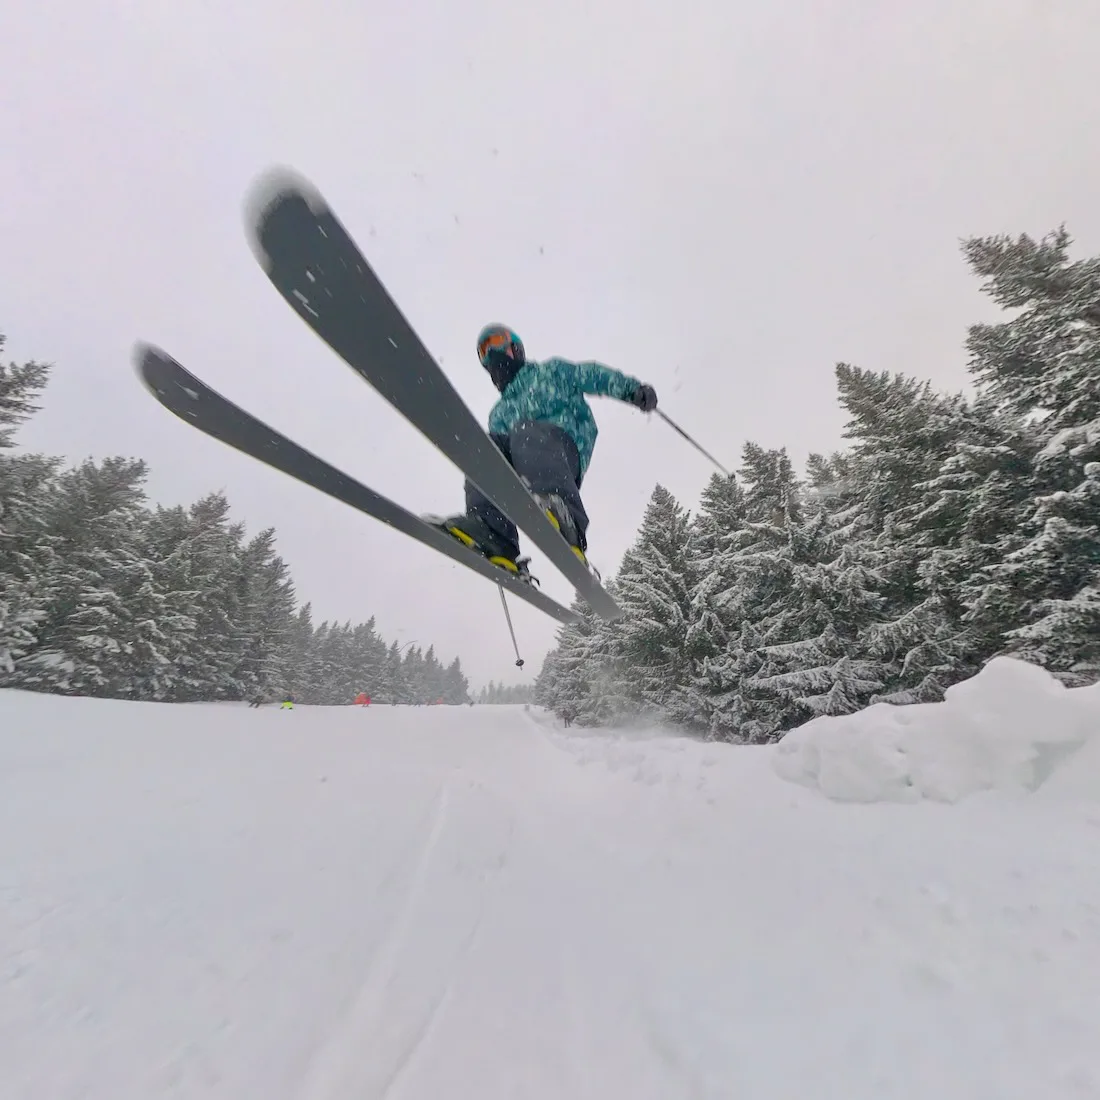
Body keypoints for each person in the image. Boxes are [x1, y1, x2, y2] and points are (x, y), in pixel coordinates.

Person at [427, 324, 657, 574]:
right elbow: (499, 463)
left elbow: (592, 375)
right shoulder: (499, 413)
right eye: (484, 350)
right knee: (486, 447)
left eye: (497, 342)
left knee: (525, 432)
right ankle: (493, 533)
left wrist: (631, 390)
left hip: (563, 448)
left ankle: (565, 515)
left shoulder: (551, 372)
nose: (492, 352)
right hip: (526, 464)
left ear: (516, 348)